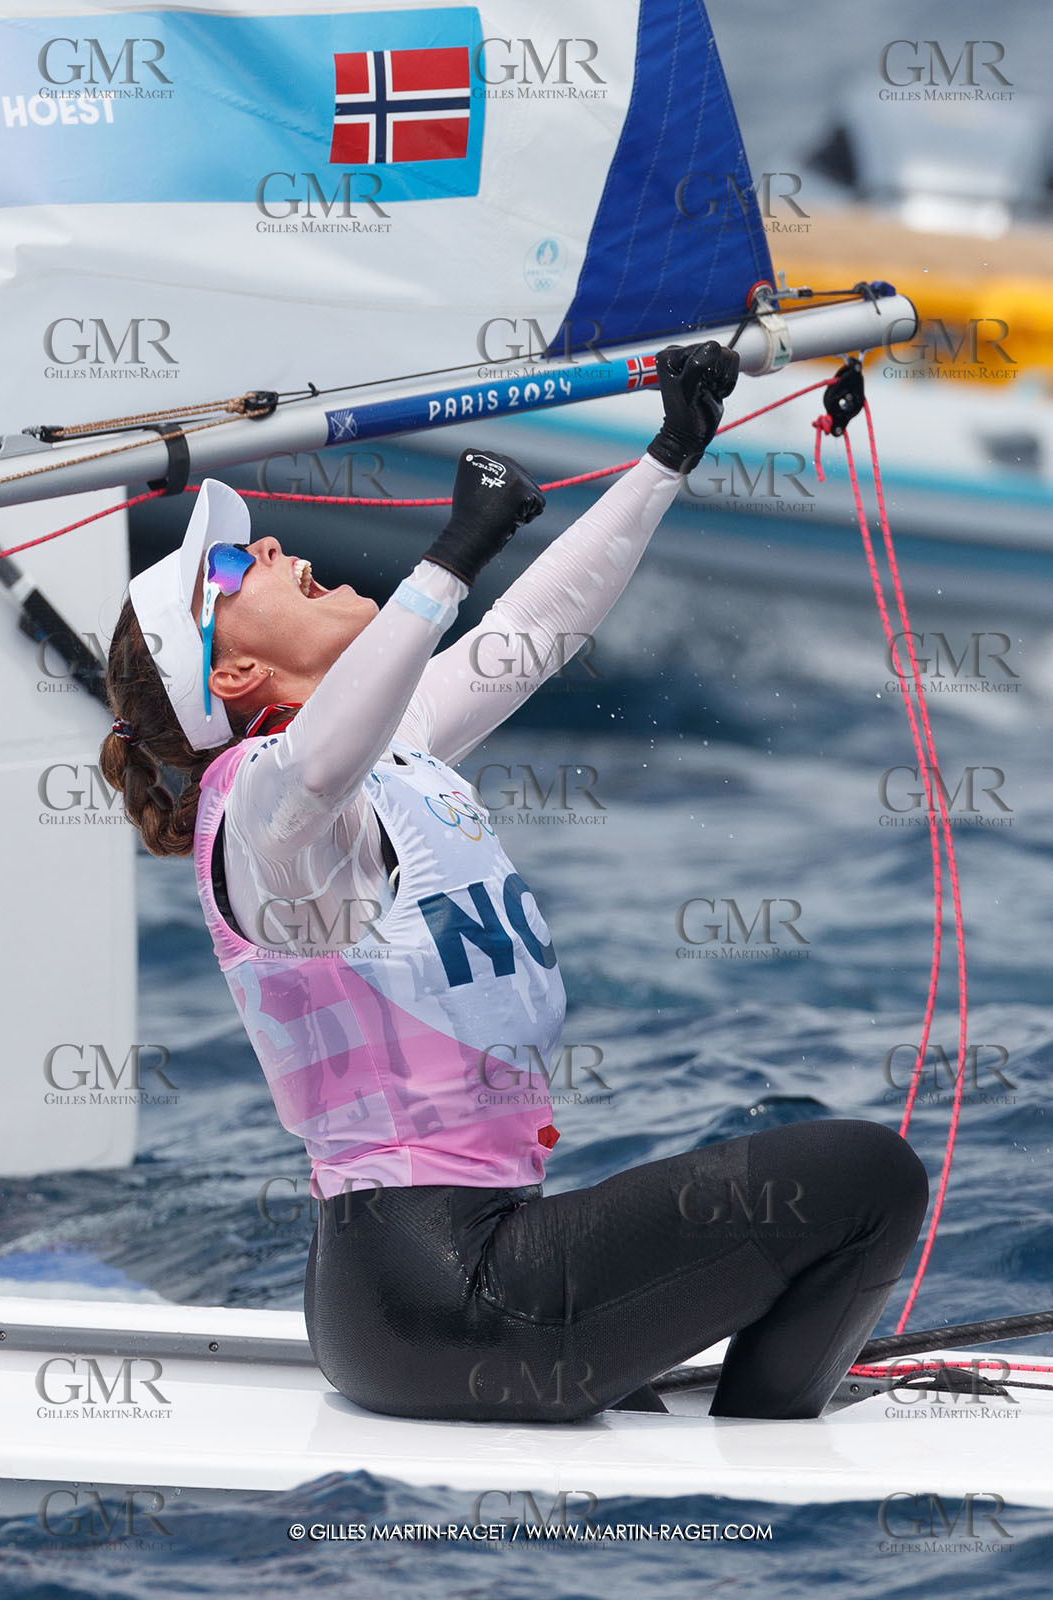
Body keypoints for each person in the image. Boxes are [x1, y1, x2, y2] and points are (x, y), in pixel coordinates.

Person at [102, 342, 928, 1423]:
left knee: (822, 1187)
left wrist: (666, 456)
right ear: (231, 677)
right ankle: (766, 1451)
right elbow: (312, 765)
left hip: (442, 1291)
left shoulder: (385, 751)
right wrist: (446, 556)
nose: (262, 545)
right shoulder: (261, 807)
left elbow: (530, 635)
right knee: (867, 1180)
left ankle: (738, 1409)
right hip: (439, 1295)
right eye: (227, 572)